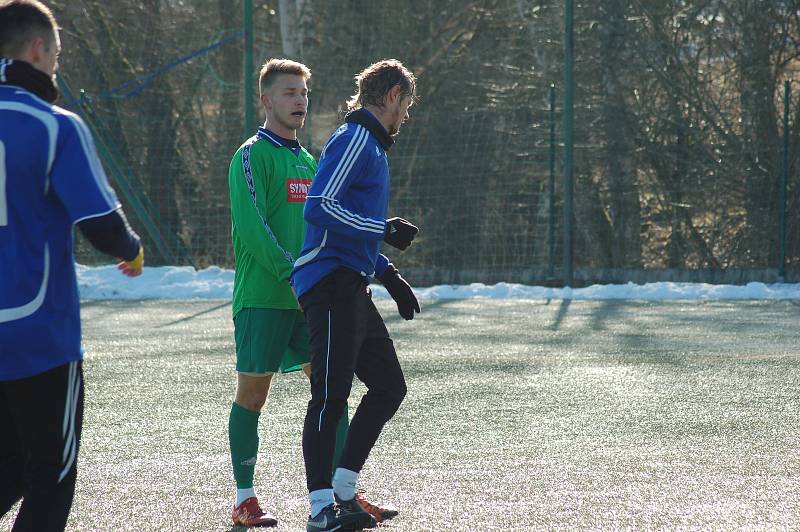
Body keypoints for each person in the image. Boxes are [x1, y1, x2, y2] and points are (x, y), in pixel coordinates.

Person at [226, 58, 395, 528]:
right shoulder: (250, 155)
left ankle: (341, 494)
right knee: (253, 396)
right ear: (265, 100)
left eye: (303, 93)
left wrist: (376, 266)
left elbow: (330, 231)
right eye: (288, 93)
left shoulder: (310, 160)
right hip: (264, 298)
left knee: (330, 392)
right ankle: (245, 498)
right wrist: (295, 273)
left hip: (309, 298)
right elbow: (254, 230)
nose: (299, 101)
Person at [0, 1, 144, 530]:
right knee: (50, 476)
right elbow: (102, 226)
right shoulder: (53, 124)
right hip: (36, 332)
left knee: (9, 468)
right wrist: (131, 249)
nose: (56, 64)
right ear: (38, 49)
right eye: (56, 52)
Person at [291, 59, 421, 532]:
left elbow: (351, 225)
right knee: (330, 395)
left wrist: (388, 274)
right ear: (390, 96)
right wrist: (382, 230)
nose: (406, 115)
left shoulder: (374, 148)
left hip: (352, 281)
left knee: (389, 387)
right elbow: (320, 206)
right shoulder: (355, 138)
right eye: (406, 104)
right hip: (328, 283)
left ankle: (345, 492)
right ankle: (320, 508)